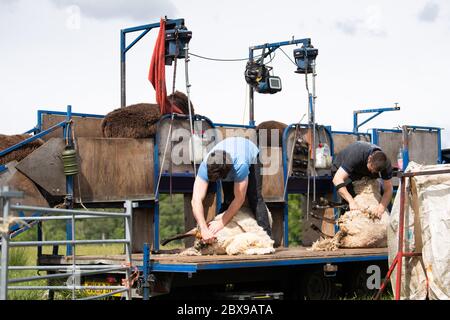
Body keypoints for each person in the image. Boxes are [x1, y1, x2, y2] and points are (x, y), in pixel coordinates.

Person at [191, 136, 272, 243]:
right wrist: (203, 228)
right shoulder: (205, 166)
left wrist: (221, 223)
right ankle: (221, 238)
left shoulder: (240, 165)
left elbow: (239, 199)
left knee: (254, 197)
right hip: (228, 156)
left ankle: (267, 238)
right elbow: (196, 200)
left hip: (250, 153)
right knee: (228, 200)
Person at [331, 141, 393, 217]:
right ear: (369, 158)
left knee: (385, 203)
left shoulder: (386, 164)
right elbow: (337, 179)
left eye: (375, 171)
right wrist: (351, 201)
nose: (372, 172)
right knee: (353, 204)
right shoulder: (357, 154)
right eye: (371, 169)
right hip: (345, 172)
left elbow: (388, 189)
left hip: (364, 174)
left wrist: (381, 208)